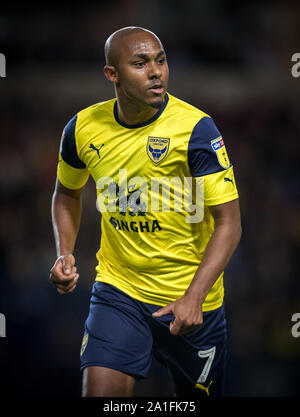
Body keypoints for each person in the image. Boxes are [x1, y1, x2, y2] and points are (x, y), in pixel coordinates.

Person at [50, 26, 242, 397]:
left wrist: (195, 297)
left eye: (161, 60)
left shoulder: (197, 130)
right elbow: (66, 193)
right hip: (118, 293)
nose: (156, 71)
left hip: (191, 303)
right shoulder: (82, 129)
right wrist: (65, 252)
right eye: (140, 63)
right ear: (112, 74)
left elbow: (230, 224)